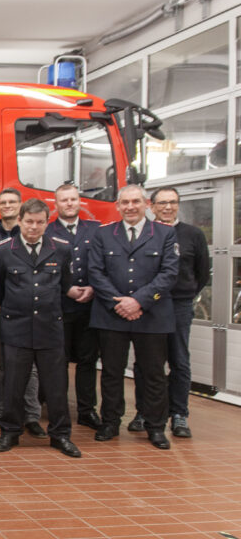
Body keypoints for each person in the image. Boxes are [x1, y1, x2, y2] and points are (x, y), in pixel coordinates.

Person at [89, 185, 178, 450]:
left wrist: (138, 301)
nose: (130, 207)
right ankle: (110, 422)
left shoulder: (165, 234)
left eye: (135, 202)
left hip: (151, 315)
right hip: (111, 314)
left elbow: (169, 273)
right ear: (117, 206)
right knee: (111, 372)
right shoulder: (104, 234)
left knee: (153, 373)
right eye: (125, 202)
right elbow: (95, 272)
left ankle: (155, 426)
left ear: (146, 204)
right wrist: (119, 302)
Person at [0, 199, 81, 458]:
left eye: (40, 222)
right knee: (13, 386)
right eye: (29, 221)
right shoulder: (3, 250)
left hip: (49, 328)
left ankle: (60, 435)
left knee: (56, 386)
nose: (33, 227)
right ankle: (9, 432)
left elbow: (65, 285)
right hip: (16, 327)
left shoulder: (61, 249)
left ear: (47, 222)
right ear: (19, 221)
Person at [127, 187, 210, 438]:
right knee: (147, 363)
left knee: (179, 361)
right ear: (152, 206)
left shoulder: (193, 234)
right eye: (162, 203)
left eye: (172, 202)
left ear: (178, 205)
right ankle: (144, 412)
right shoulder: (145, 232)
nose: (167, 207)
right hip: (149, 305)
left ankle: (179, 415)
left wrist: (184, 294)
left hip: (178, 306)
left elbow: (202, 273)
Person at [0, 188, 43, 437]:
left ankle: (31, 416)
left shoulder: (34, 234)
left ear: (21, 208)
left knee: (29, 366)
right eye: (3, 202)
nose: (8, 206)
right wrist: (0, 300)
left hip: (29, 312)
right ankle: (1, 410)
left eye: (13, 202)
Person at [45, 183, 102, 430]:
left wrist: (93, 287)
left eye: (73, 199)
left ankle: (87, 410)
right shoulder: (46, 232)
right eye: (63, 200)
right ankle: (60, 411)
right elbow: (44, 271)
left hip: (90, 307)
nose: (69, 203)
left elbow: (102, 264)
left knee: (88, 362)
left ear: (80, 202)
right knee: (59, 362)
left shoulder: (97, 230)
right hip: (59, 307)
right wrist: (66, 288)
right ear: (55, 205)